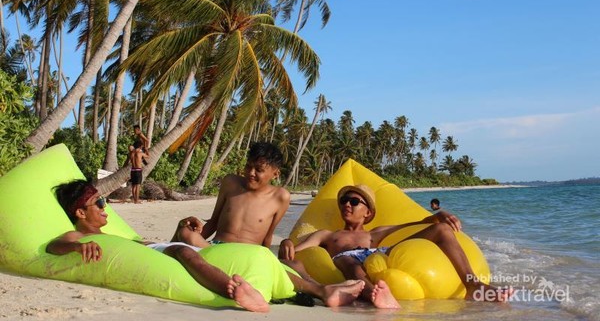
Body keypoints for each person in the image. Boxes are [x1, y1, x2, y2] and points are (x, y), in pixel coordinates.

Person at [46, 180, 270, 312]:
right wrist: (76, 248)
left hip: (159, 248)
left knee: (265, 259)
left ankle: (306, 286)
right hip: (165, 252)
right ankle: (232, 290)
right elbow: (53, 246)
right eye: (100, 202)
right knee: (180, 250)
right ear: (80, 212)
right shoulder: (78, 235)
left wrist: (178, 230)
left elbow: (152, 248)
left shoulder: (108, 234)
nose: (106, 207)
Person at [279, 184, 513, 308]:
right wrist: (289, 241)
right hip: (348, 261)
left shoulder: (377, 233)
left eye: (353, 201)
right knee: (345, 259)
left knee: (441, 230)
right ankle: (374, 296)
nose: (346, 205)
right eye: (343, 201)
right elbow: (299, 248)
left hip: (379, 254)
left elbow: (418, 223)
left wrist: (441, 214)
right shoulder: (328, 235)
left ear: (368, 212)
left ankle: (473, 285)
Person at [201, 142, 365, 307]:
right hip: (220, 245)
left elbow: (267, 237)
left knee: (294, 264)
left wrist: (276, 255)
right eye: (248, 166)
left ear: (275, 173)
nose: (251, 173)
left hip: (252, 252)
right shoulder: (231, 183)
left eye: (259, 170)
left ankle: (320, 288)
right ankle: (321, 291)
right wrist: (193, 236)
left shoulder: (280, 197)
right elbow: (213, 222)